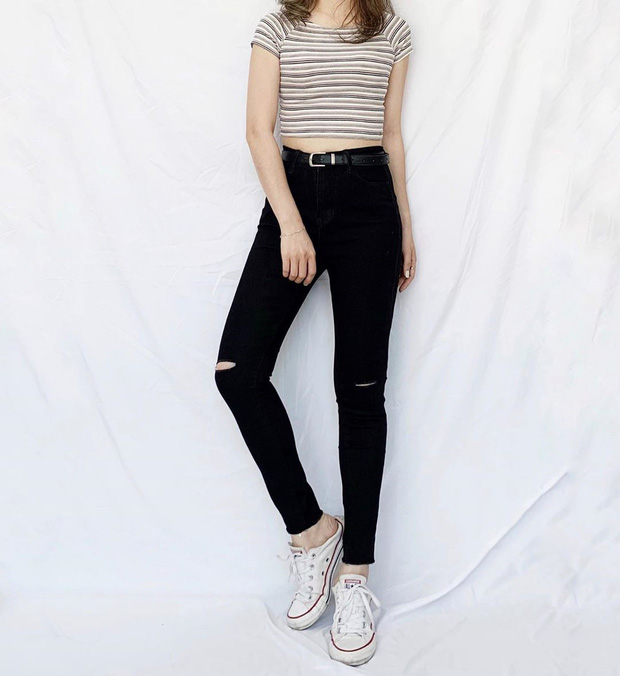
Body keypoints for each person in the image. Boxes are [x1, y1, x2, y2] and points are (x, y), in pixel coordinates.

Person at [214, 0, 415, 665]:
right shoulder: (278, 26)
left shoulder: (391, 31)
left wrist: (405, 228)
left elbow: (391, 136)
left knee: (360, 391)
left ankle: (355, 577)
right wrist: (292, 226)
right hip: (293, 198)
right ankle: (313, 529)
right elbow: (258, 131)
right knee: (238, 372)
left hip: (370, 207)